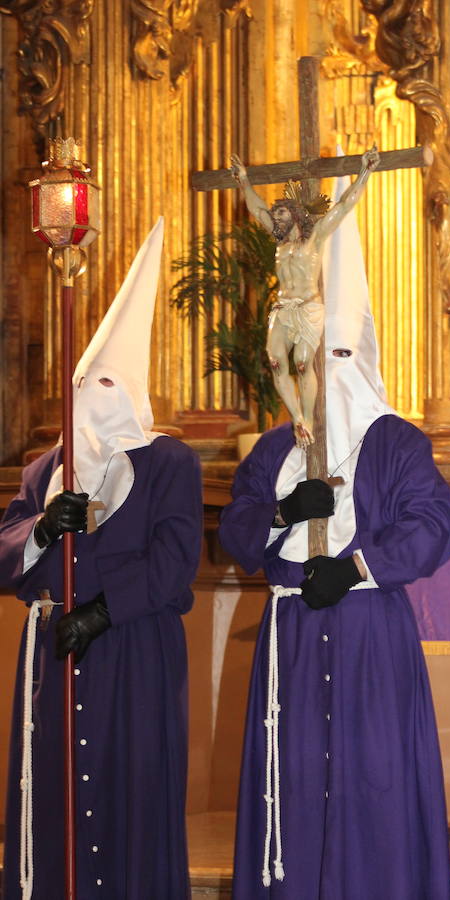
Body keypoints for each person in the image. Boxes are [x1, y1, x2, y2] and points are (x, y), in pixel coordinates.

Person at [219, 173, 450, 898]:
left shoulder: (396, 442)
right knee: (292, 792)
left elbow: (436, 526)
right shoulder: (274, 448)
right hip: (290, 637)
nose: (323, 373)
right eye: (313, 358)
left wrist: (357, 568)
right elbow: (236, 532)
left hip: (369, 641)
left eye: (336, 356)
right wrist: (282, 514)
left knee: (374, 791)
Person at [0, 218, 203, 899]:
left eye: (112, 386)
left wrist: (102, 612)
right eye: (90, 384)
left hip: (134, 653)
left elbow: (175, 567)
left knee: (129, 797)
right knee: (54, 797)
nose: (97, 403)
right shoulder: (44, 471)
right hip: (52, 656)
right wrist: (40, 532)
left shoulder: (170, 461)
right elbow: (4, 556)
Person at [229, 147, 379, 450]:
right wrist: (243, 180)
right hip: (283, 307)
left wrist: (365, 171)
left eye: (280, 212)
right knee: (274, 360)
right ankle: (297, 417)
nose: (275, 217)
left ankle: (307, 417)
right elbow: (256, 209)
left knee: (300, 363)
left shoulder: (316, 237)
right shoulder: (279, 241)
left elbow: (344, 204)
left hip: (309, 306)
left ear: (295, 215)